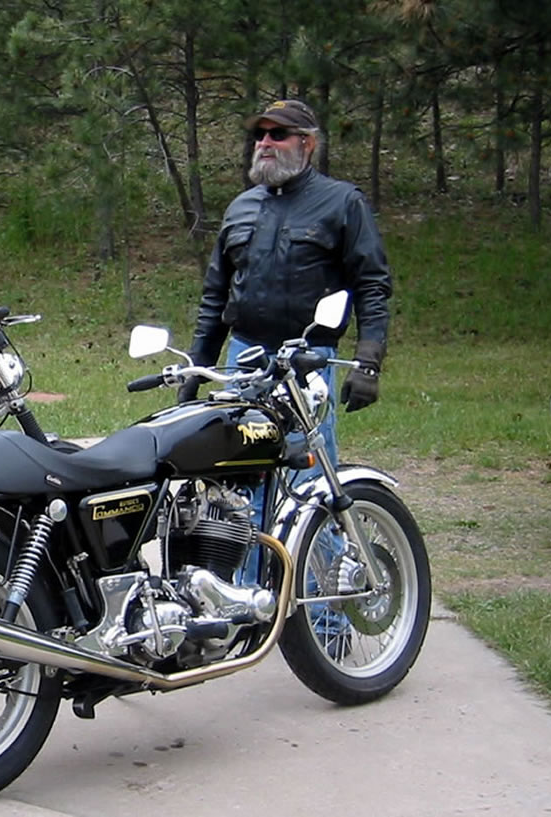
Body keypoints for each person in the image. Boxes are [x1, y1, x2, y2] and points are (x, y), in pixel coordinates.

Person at [181, 99, 393, 659]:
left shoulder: (341, 203)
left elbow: (372, 284)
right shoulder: (242, 208)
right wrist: (192, 373)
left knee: (310, 492)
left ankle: (325, 632)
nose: (265, 143)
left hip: (308, 361)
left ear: (307, 143)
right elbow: (214, 298)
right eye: (259, 135)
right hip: (244, 359)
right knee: (237, 491)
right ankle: (245, 619)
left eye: (279, 135)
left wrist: (368, 360)